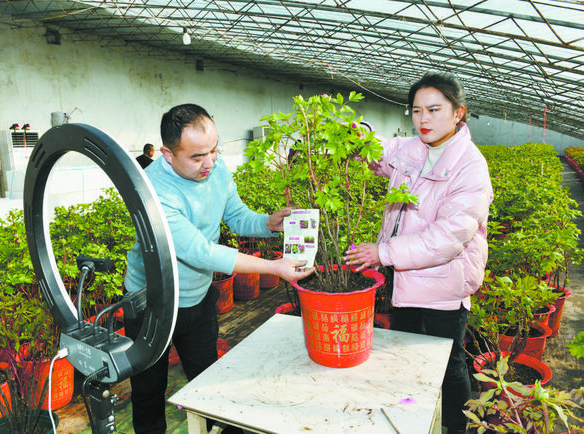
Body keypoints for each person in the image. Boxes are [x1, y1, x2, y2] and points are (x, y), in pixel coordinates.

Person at [124, 103, 314, 433]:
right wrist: (273, 267)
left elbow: (236, 215)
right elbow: (201, 253)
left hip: (197, 297)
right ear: (168, 155)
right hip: (153, 304)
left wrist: (269, 223)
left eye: (213, 149)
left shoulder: (216, 168)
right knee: (148, 390)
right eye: (197, 156)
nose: (209, 162)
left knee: (209, 377)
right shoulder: (153, 191)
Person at [344, 72, 493, 434]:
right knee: (405, 355)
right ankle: (412, 419)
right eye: (416, 110)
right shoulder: (412, 149)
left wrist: (383, 251)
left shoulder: (471, 167)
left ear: (459, 113)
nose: (423, 119)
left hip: (443, 284)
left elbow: (447, 239)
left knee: (447, 361)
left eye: (434, 110)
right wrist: (359, 136)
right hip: (403, 275)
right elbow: (379, 156)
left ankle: (457, 427)